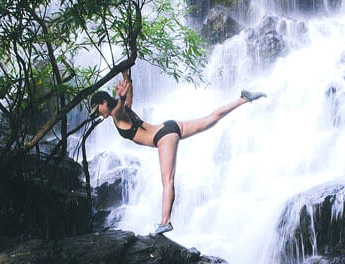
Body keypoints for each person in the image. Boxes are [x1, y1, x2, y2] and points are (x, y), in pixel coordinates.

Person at [90, 71, 266, 236]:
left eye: (97, 109)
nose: (98, 113)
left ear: (104, 103)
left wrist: (120, 96)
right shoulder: (125, 109)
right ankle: (243, 99)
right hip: (170, 126)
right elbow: (129, 91)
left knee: (167, 180)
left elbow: (119, 108)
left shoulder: (118, 114)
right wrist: (125, 74)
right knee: (210, 119)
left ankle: (165, 222)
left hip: (163, 138)